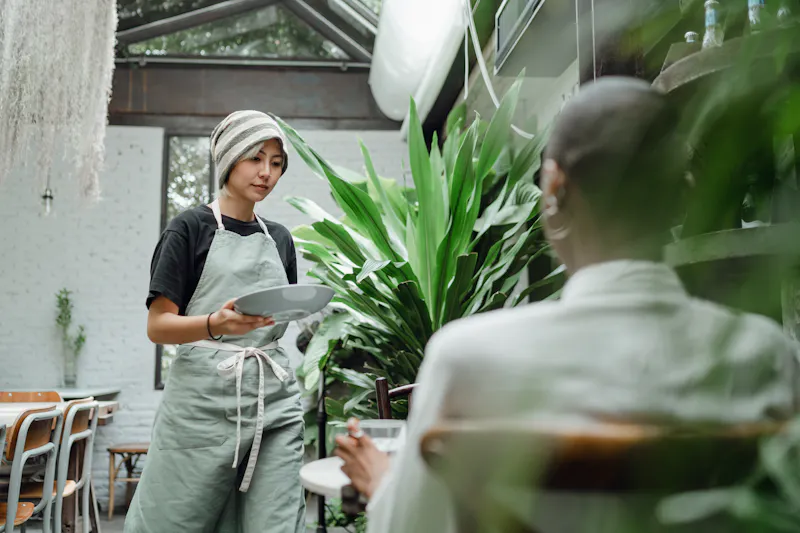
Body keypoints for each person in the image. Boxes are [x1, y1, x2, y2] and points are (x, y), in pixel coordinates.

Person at [334, 77, 800, 533]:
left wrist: (379, 480)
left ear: (554, 190)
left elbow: (412, 528)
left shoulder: (467, 360)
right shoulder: (763, 357)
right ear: (682, 193)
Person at [125, 110, 305, 533]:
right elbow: (158, 326)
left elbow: (281, 312)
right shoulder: (189, 228)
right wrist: (215, 324)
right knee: (174, 520)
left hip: (271, 397)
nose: (266, 173)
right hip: (201, 406)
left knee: (276, 521)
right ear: (229, 160)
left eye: (276, 164)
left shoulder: (279, 237)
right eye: (255, 159)